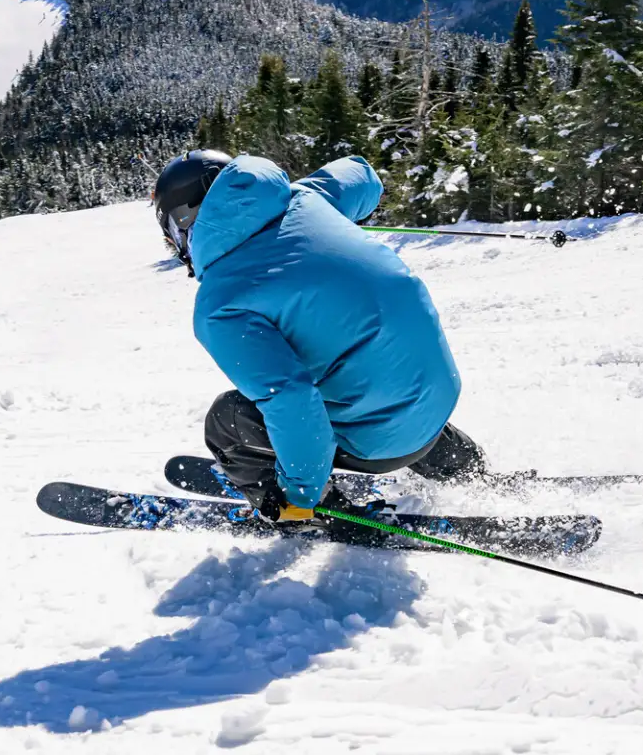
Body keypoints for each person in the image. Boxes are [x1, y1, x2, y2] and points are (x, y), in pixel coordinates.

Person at [153, 150, 487, 527]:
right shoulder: (306, 198)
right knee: (370, 358)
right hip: (436, 399)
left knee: (226, 418)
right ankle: (468, 469)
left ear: (184, 224)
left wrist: (299, 494)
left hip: (379, 445)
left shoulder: (220, 303)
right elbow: (361, 175)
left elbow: (292, 398)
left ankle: (315, 510)